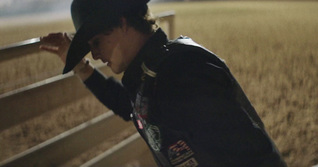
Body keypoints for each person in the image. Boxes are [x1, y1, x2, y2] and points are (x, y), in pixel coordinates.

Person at [40, 0, 287, 166]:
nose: (93, 55)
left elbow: (242, 155)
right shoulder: (155, 72)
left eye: (96, 43)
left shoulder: (184, 71)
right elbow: (131, 107)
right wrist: (81, 68)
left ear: (122, 24)